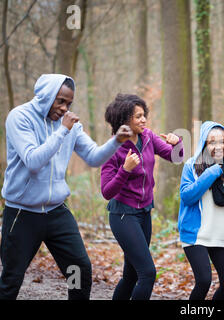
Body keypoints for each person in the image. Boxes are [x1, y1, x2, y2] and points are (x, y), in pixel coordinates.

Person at [0, 74, 132, 300]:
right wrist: (62, 131)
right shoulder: (19, 118)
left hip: (56, 212)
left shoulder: (70, 126)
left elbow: (92, 157)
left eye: (68, 103)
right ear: (45, 96)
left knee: (79, 271)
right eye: (60, 101)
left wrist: (116, 141)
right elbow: (32, 161)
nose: (64, 108)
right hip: (22, 213)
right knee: (12, 279)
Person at [100, 93, 184, 300]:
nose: (143, 119)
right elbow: (106, 192)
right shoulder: (113, 149)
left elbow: (176, 157)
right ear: (124, 120)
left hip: (144, 213)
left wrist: (177, 143)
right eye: (137, 116)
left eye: (143, 115)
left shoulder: (148, 137)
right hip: (123, 215)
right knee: (147, 273)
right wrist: (125, 170)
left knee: (131, 276)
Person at [178, 121, 224, 300]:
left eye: (222, 141)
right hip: (197, 235)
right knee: (203, 281)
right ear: (204, 144)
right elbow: (187, 196)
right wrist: (211, 173)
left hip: (221, 236)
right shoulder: (192, 166)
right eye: (212, 142)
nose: (218, 146)